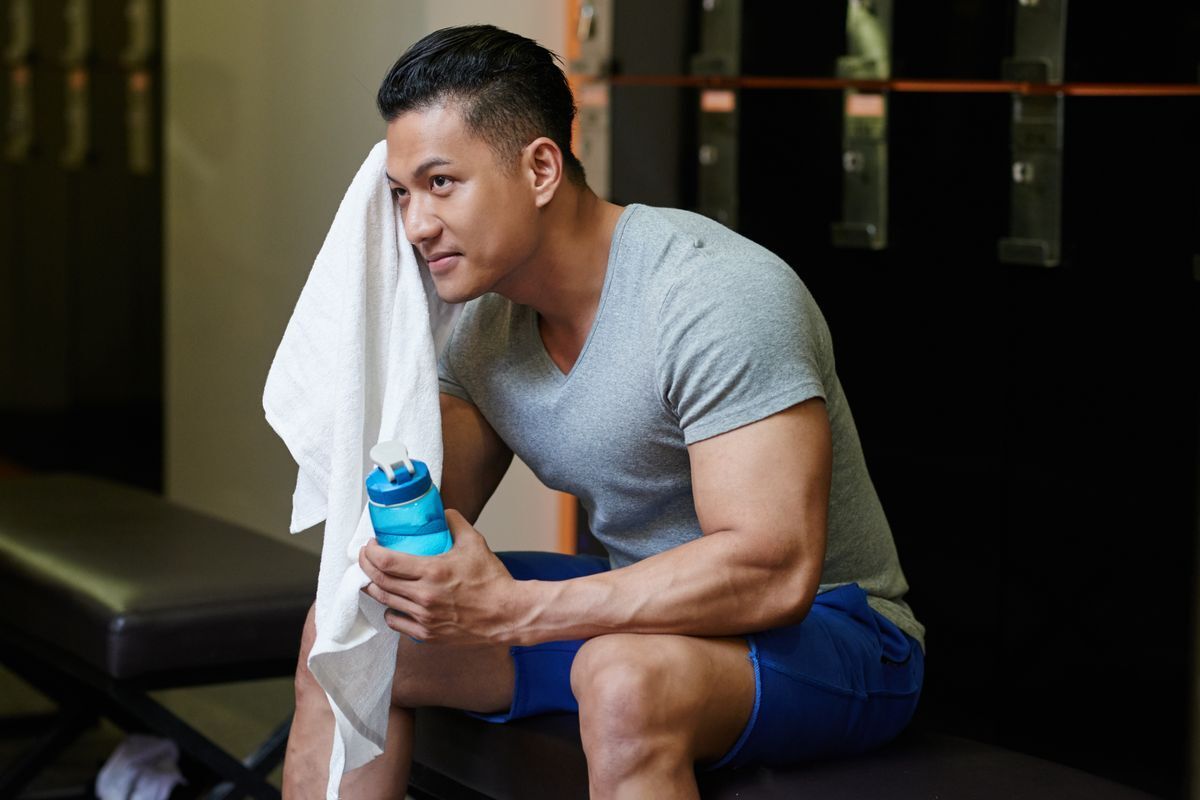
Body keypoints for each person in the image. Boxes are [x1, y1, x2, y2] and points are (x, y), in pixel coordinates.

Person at [283, 24, 924, 800]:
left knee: (620, 677)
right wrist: (408, 552)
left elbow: (773, 571)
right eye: (401, 195)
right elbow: (430, 512)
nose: (416, 225)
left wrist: (518, 610)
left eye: (441, 183)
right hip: (650, 616)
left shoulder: (711, 295)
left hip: (834, 630)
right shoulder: (487, 331)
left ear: (542, 168)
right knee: (346, 631)